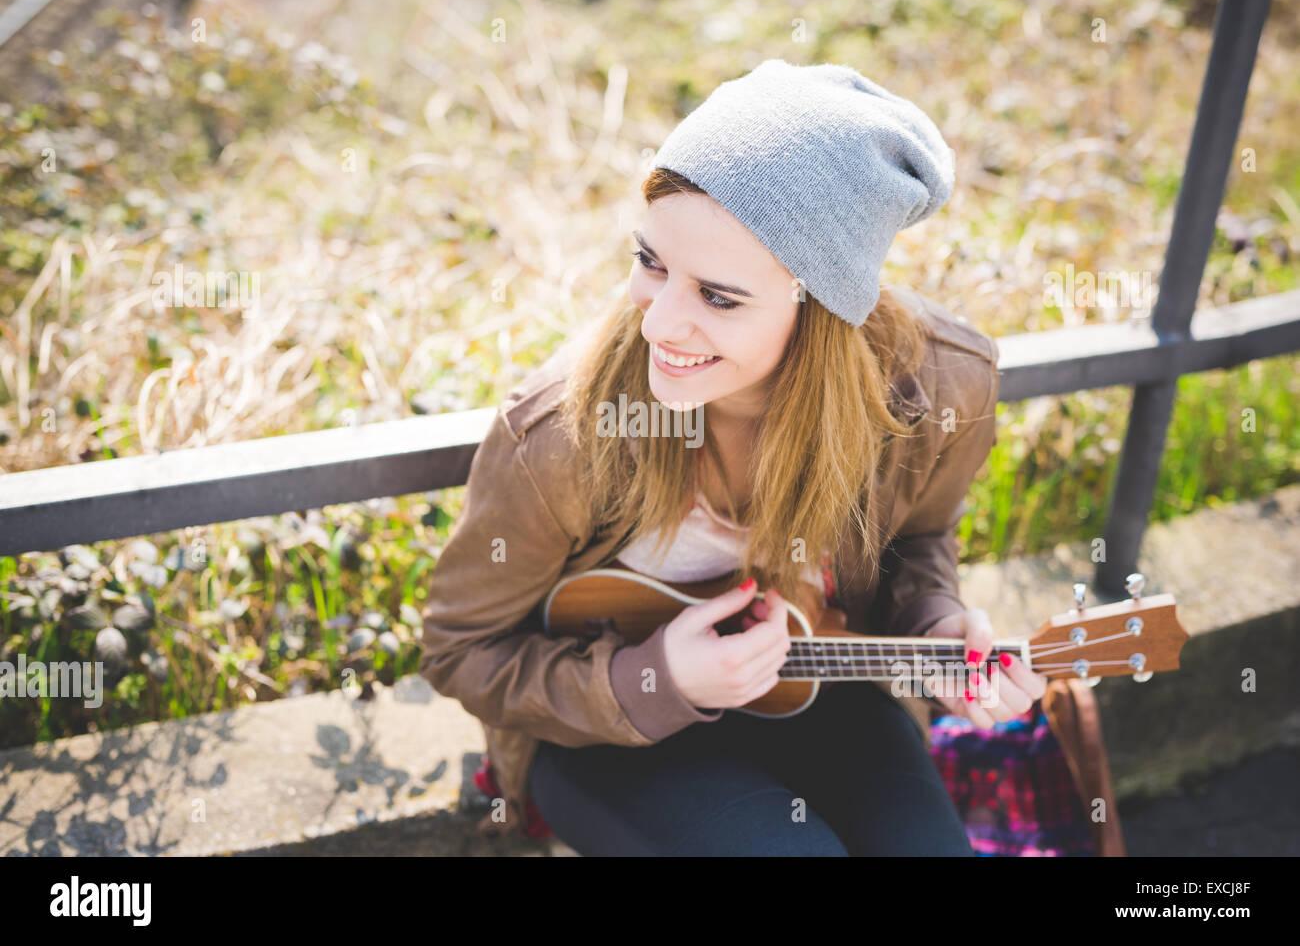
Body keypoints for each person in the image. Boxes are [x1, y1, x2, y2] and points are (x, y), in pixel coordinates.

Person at [419, 59, 1048, 855]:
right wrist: (656, 679)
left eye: (717, 296)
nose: (659, 326)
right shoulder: (563, 436)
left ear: (820, 308)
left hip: (824, 687)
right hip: (607, 730)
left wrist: (937, 623)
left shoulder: (943, 385)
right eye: (651, 263)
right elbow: (460, 649)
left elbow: (918, 541)